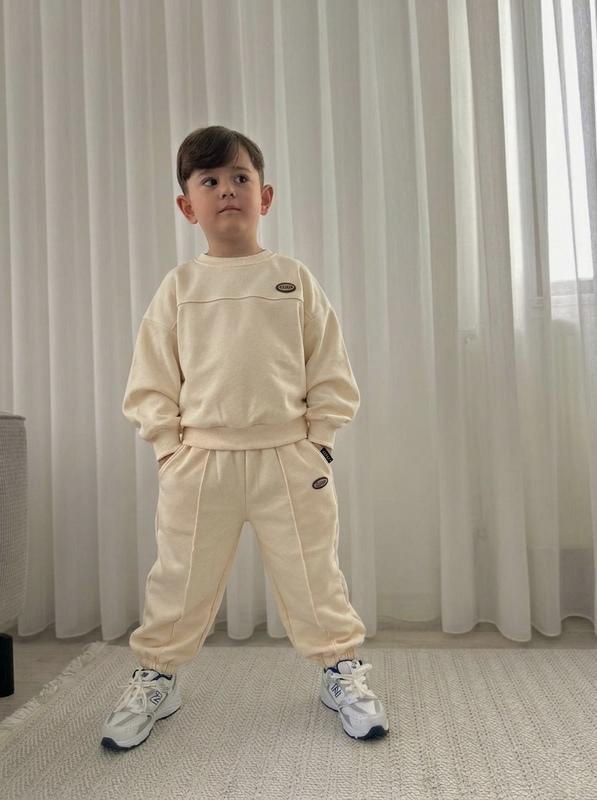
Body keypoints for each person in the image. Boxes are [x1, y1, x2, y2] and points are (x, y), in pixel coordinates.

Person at [101, 125, 389, 750]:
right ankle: (158, 677)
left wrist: (320, 439)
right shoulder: (179, 287)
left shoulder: (293, 278)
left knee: (314, 574)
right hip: (200, 461)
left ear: (266, 196)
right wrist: (168, 447)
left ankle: (339, 672)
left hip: (291, 458)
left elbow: (329, 365)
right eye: (210, 181)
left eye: (241, 178)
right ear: (188, 206)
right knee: (179, 578)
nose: (227, 190)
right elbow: (151, 377)